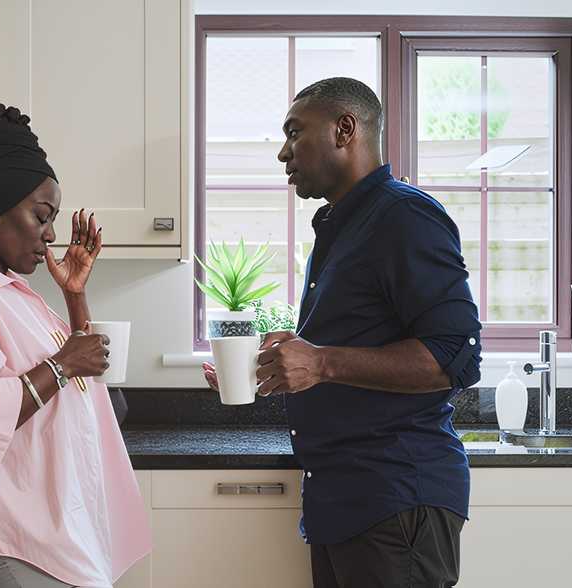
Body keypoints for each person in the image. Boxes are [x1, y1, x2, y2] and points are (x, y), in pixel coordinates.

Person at [204, 78, 482, 587]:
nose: (283, 154)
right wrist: (280, 361)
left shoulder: (404, 216)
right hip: (347, 503)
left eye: (294, 133)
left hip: (395, 500)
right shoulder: (341, 227)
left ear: (345, 130)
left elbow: (454, 357)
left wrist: (322, 361)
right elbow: (345, 348)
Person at [0, 103, 150, 587]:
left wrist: (75, 296)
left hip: (52, 531)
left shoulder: (8, 290)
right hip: (10, 538)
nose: (52, 235)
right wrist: (60, 365)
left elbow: (83, 377)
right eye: (41, 216)